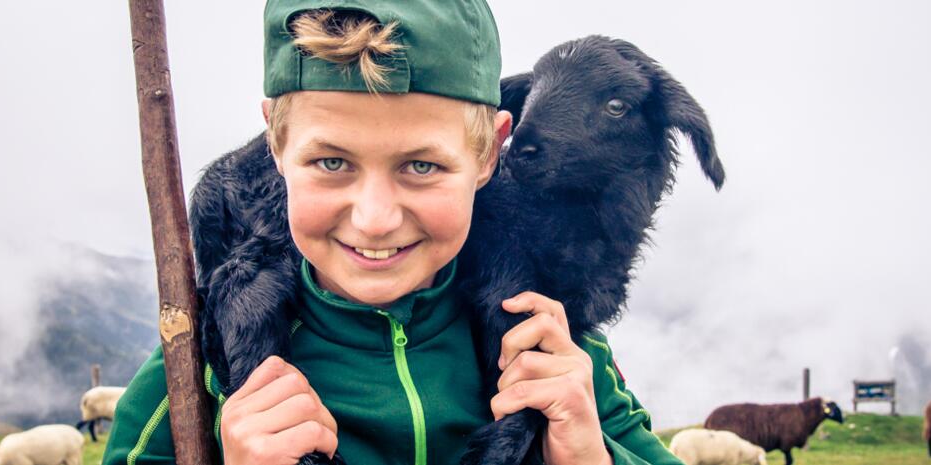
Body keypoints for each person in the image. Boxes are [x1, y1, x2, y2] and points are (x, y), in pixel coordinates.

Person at [103, 2, 681, 465]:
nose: (375, 219)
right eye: (331, 163)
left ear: (490, 153)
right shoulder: (201, 362)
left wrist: (586, 454)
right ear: (277, 149)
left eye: (421, 166)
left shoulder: (551, 345)